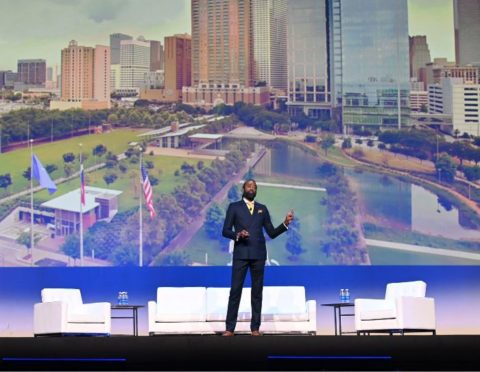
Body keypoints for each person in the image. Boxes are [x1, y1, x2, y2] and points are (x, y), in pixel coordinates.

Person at [221, 179, 294, 336]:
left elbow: (272, 233)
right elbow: (225, 231)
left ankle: (255, 328)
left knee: (257, 292)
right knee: (235, 291)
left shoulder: (262, 209)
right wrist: (237, 235)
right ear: (243, 189)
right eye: (249, 186)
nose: (252, 188)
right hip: (241, 254)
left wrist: (285, 224)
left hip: (258, 255)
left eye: (254, 187)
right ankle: (229, 328)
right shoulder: (234, 207)